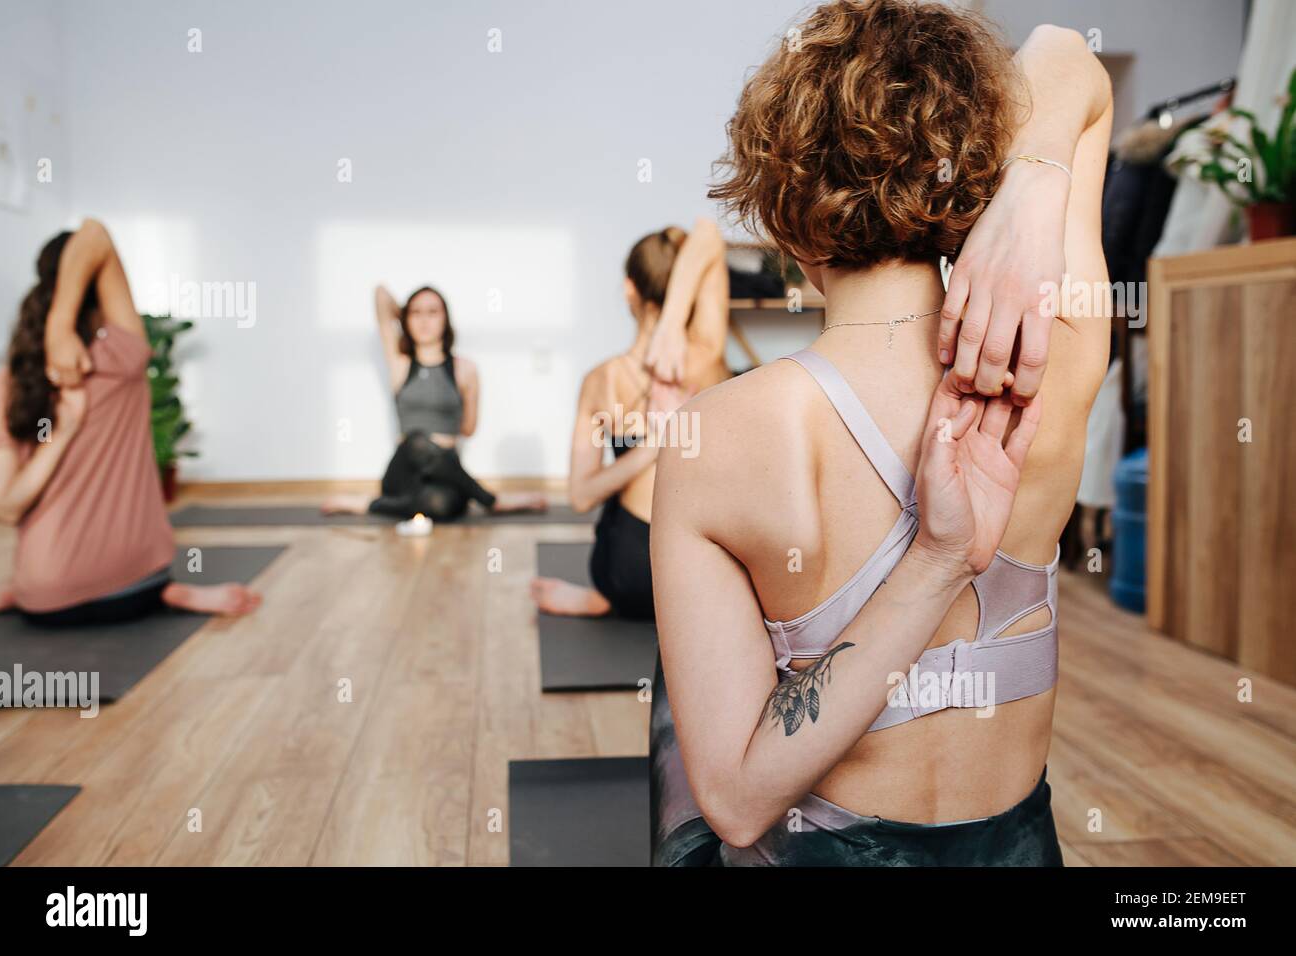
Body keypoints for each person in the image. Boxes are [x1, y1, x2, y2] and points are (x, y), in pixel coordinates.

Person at [650, 0, 1113, 866]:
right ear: (974, 177)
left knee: (678, 700)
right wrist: (1034, 181)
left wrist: (934, 565)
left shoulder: (717, 435)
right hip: (1020, 850)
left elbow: (738, 807)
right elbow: (1068, 58)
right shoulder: (1059, 352)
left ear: (785, 214)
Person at [0, 222, 262, 624]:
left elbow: (7, 508)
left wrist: (60, 433)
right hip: (134, 590)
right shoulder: (122, 357)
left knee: (38, 579)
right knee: (143, 576)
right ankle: (168, 592)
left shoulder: (9, 385)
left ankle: (20, 590)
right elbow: (96, 235)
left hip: (45, 600)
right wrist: (61, 329)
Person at [530, 219, 729, 620]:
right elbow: (709, 232)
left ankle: (598, 599)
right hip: (700, 573)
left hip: (629, 573)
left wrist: (648, 448)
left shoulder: (601, 381)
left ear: (629, 288)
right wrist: (663, 440)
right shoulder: (704, 356)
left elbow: (581, 496)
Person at [321, 285, 544, 522]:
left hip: (446, 474)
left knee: (442, 506)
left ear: (446, 319)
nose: (424, 320)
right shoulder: (400, 365)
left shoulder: (465, 369)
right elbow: (380, 295)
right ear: (406, 319)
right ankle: (491, 500)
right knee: (417, 440)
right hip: (404, 470)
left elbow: (468, 429)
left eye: (432, 312)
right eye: (416, 313)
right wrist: (402, 314)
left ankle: (369, 504)